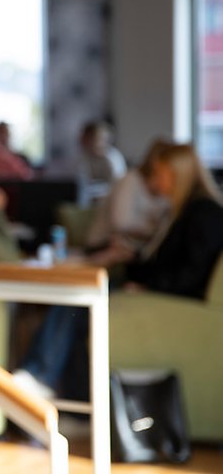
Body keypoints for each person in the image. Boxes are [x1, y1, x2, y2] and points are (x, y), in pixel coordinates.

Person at [14, 142, 223, 399]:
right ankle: (63, 397)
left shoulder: (203, 214)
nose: (154, 181)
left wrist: (149, 285)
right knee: (79, 307)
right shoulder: (186, 211)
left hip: (172, 300)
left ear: (176, 174)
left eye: (160, 174)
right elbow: (173, 266)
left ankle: (38, 375)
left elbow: (191, 274)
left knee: (78, 300)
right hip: (162, 291)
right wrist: (135, 261)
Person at [84, 138, 171, 252]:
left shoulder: (167, 190)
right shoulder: (131, 179)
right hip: (104, 244)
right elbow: (120, 224)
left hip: (136, 245)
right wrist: (153, 230)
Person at [75, 120, 127, 207]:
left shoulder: (113, 159)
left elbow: (118, 187)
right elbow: (82, 185)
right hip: (91, 204)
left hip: (113, 203)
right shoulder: (83, 157)